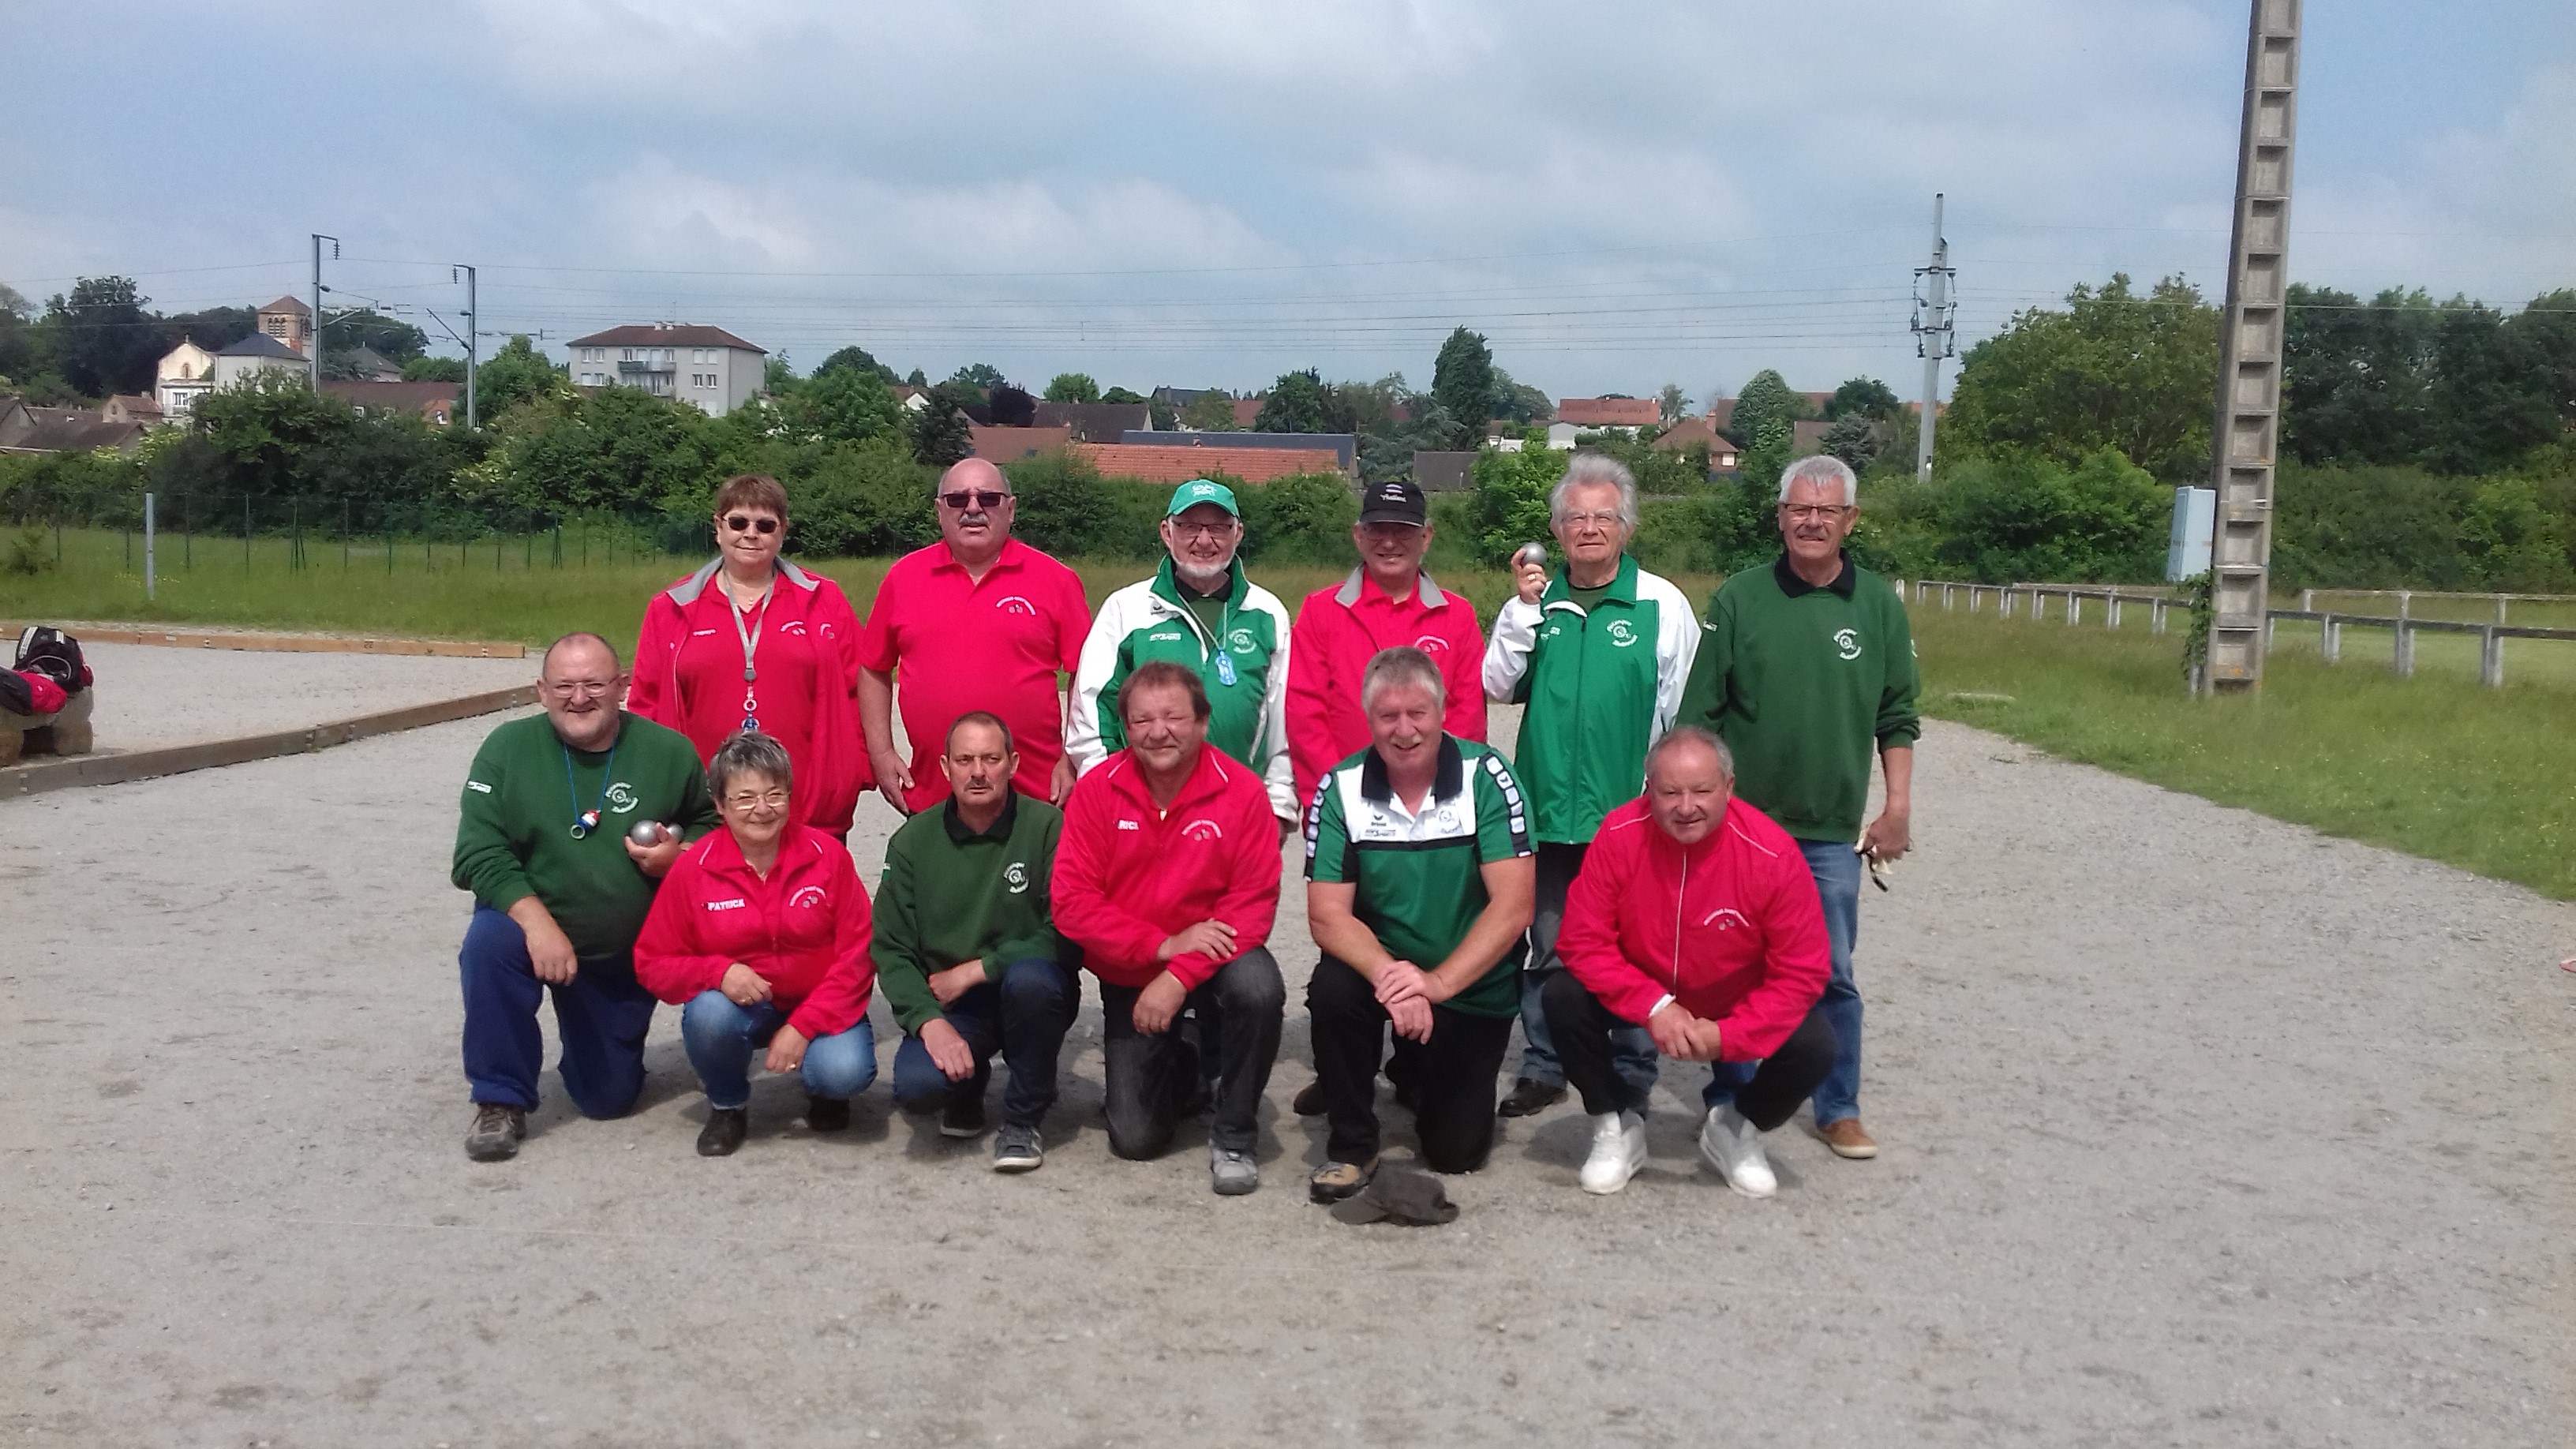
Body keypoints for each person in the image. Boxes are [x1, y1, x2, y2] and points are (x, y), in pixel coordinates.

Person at [1677, 454, 1919, 1161]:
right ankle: (1733, 1096)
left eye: (1827, 510)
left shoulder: (1878, 606)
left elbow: (1897, 716)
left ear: (1851, 519)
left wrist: (1897, 807)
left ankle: (1838, 1107)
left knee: (1830, 974)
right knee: (1736, 969)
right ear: (1780, 516)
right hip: (1741, 828)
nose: (1812, 521)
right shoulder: (1739, 598)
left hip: (1828, 832)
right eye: (1799, 509)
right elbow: (1699, 715)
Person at [1481, 454, 1701, 1121]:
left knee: (1635, 946)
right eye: (1575, 517)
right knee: (1547, 943)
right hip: (1546, 807)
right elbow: (1497, 685)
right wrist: (1522, 614)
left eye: (1604, 517)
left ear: (1627, 527)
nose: (1589, 528)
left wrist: (1667, 799)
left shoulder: (1662, 604)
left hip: (1628, 813)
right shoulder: (1535, 604)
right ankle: (1545, 1065)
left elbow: (1682, 711)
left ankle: (1631, 1066)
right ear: (1556, 528)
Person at [450, 633, 717, 1162]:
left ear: (622, 686)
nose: (578, 699)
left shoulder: (669, 751)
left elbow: (713, 826)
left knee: (607, 1098)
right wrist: (538, 925)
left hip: (617, 953)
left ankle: (597, 1054)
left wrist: (680, 856)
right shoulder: (506, 749)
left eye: (594, 685)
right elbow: (476, 854)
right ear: (541, 691)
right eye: (564, 686)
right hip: (532, 924)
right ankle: (500, 1098)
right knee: (488, 944)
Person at [1544, 727, 1834, 1198]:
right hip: (1642, 986)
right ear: (1649, 789)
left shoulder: (1773, 852)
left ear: (1729, 787)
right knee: (1562, 996)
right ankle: (1615, 1122)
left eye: (1701, 791)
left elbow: (1804, 970)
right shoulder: (1618, 834)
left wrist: (1731, 1035)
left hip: (1730, 995)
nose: (1685, 807)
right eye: (1669, 792)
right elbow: (1581, 939)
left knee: (1815, 1041)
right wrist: (1655, 1006)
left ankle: (1737, 1126)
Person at [1303, 648, 1535, 1203]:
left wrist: (1436, 984)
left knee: (1455, 1153)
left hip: (1468, 982)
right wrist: (1395, 979)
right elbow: (1326, 915)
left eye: (1417, 714)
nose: (1404, 730)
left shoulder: (1488, 776)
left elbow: (1514, 907)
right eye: (1388, 716)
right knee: (1333, 988)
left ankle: (1412, 1068)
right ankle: (1353, 1145)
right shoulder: (1340, 787)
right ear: (1369, 718)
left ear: (1442, 713)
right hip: (1384, 973)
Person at [1052, 661, 1286, 1196]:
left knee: (1258, 987)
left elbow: (1252, 903)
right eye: (1142, 720)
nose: (1158, 732)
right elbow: (1072, 902)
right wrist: (1160, 946)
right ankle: (1192, 1057)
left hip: (1216, 956)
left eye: (1174, 717)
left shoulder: (1243, 791)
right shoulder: (1097, 791)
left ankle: (1235, 1135)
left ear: (1203, 721)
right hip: (1134, 967)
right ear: (1125, 728)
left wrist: (1179, 974)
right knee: (1136, 1138)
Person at [634, 732, 878, 1156]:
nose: (762, 809)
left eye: (774, 794)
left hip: (820, 1000)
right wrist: (718, 972)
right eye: (745, 798)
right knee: (709, 1014)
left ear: (789, 796)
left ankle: (824, 1090)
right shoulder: (694, 869)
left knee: (844, 1072)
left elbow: (859, 953)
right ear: (720, 804)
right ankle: (728, 1105)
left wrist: (803, 1027)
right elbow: (652, 962)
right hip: (743, 1005)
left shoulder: (828, 855)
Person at [875, 711, 1080, 1170]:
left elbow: (1068, 931)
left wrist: (979, 970)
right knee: (918, 1088)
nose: (978, 772)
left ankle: (1024, 1118)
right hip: (954, 1005)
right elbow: (892, 948)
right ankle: (966, 1085)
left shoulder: (1048, 827)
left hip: (1030, 989)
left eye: (991, 759)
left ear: (1014, 763)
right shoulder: (913, 841)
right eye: (965, 760)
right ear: (945, 767)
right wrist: (928, 1022)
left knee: (1031, 983)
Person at [631, 473, 869, 837]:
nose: (751, 534)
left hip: (807, 804)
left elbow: (860, 691)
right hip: (706, 808)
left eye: (765, 525)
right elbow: (645, 704)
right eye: (738, 522)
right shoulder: (671, 607)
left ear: (783, 530)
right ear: (718, 527)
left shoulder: (824, 600)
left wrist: (853, 773)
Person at [856, 458, 1091, 815]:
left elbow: (1085, 678)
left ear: (1011, 509)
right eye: (958, 499)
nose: (973, 509)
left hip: (1036, 792)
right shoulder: (904, 578)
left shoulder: (1057, 580)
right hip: (934, 791)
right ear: (939, 511)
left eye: (989, 498)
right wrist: (881, 753)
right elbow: (873, 667)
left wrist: (1072, 758)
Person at [1066, 478, 1297, 822]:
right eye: (1190, 527)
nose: (1204, 540)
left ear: (1238, 534)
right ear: (1167, 532)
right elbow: (1091, 712)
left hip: (1241, 812)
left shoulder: (1267, 612)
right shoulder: (1127, 609)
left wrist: (1278, 807)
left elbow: (1284, 719)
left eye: (1218, 528)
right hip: (1143, 812)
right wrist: (1110, 797)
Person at [1285, 478, 1488, 812]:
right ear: (1358, 536)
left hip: (1436, 807)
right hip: (1345, 802)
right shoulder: (1320, 612)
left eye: (1403, 531)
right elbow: (1305, 717)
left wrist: (1439, 796)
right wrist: (1334, 797)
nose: (1390, 542)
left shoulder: (1457, 615)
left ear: (1426, 537)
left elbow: (1468, 719)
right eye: (1377, 530)